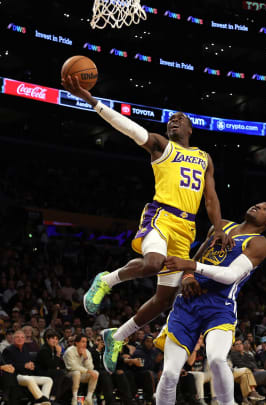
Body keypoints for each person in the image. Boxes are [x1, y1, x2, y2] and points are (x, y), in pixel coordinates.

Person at [61, 76, 233, 373]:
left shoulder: (204, 158)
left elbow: (211, 197)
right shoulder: (161, 146)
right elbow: (126, 127)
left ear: (191, 129)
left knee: (164, 298)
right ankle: (106, 280)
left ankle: (115, 336)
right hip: (160, 216)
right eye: (171, 119)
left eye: (181, 119)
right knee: (153, 262)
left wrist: (217, 228)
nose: (174, 121)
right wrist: (91, 99)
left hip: (186, 228)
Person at [151, 202, 266, 405]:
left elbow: (230, 275)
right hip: (188, 303)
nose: (258, 206)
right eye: (258, 204)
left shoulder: (259, 243)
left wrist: (191, 265)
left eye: (265, 208)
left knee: (217, 359)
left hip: (219, 306)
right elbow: (196, 259)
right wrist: (187, 276)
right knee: (169, 373)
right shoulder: (220, 226)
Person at [2, 330, 53, 405]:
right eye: (17, 337)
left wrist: (32, 366)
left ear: (25, 339)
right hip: (16, 376)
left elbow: (28, 362)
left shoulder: (25, 348)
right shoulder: (8, 350)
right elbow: (8, 366)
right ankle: (41, 399)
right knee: (29, 379)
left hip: (27, 375)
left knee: (48, 380)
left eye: (22, 337)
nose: (20, 339)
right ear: (13, 339)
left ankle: (41, 403)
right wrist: (24, 366)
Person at [230, 338, 266, 404]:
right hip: (248, 374)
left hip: (256, 372)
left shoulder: (248, 355)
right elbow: (240, 365)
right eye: (237, 344)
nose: (239, 345)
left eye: (240, 343)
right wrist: (255, 369)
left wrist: (260, 369)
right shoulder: (234, 355)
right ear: (233, 347)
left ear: (242, 345)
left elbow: (255, 364)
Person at [37, 329, 73, 404]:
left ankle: (56, 398)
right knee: (59, 373)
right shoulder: (44, 349)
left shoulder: (54, 349)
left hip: (51, 371)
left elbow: (61, 365)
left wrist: (59, 355)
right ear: (47, 339)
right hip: (41, 372)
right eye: (52, 338)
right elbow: (50, 365)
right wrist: (58, 354)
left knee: (68, 380)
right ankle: (52, 398)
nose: (55, 341)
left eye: (57, 339)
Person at [63, 335, 99, 405]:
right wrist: (87, 371)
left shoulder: (87, 352)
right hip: (69, 373)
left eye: (86, 342)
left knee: (95, 373)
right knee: (77, 372)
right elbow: (73, 366)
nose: (85, 344)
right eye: (83, 342)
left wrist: (85, 358)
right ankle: (74, 398)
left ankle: (89, 398)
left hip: (82, 374)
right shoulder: (70, 351)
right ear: (76, 343)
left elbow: (91, 368)